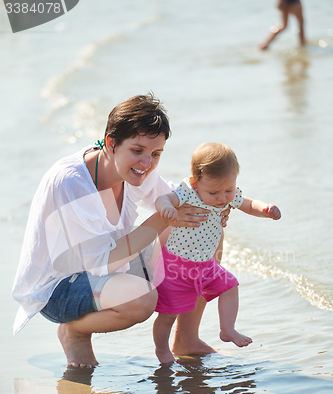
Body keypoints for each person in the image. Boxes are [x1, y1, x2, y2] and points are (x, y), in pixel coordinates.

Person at [12, 93, 214, 369]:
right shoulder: (72, 184)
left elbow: (171, 198)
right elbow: (103, 263)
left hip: (105, 263)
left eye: (156, 154)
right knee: (141, 300)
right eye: (138, 150)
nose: (147, 162)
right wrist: (163, 220)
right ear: (111, 143)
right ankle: (75, 331)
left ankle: (187, 338)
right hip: (58, 288)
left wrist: (213, 206)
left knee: (202, 231)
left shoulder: (135, 168)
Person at [153, 142, 281, 363]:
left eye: (229, 190)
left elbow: (249, 205)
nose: (222, 198)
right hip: (176, 267)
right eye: (213, 192)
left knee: (230, 285)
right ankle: (162, 350)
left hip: (205, 265)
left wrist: (266, 209)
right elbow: (163, 198)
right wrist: (166, 207)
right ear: (195, 183)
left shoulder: (226, 195)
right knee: (167, 315)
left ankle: (227, 329)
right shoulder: (187, 192)